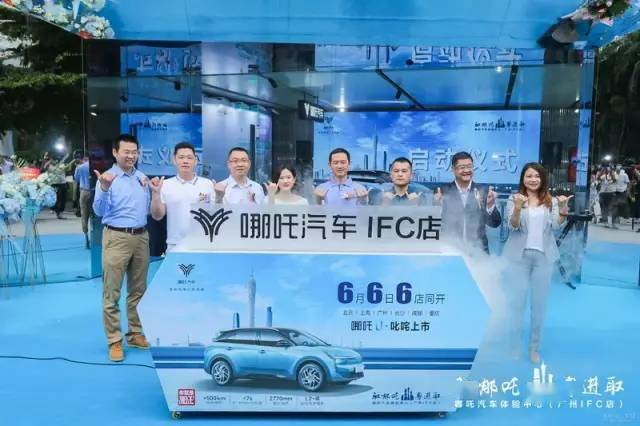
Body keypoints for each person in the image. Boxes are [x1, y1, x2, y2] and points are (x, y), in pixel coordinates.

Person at [503, 162, 572, 364]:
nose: (533, 179)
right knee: (517, 304)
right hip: (518, 257)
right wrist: (517, 208)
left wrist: (563, 208)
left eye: (537, 176)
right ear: (523, 179)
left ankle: (534, 348)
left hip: (543, 258)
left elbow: (557, 226)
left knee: (539, 305)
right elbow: (512, 226)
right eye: (529, 176)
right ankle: (514, 346)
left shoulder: (551, 200)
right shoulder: (514, 198)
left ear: (542, 179)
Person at [92, 134, 151, 362]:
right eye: (126, 152)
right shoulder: (107, 178)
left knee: (138, 290)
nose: (131, 156)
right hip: (116, 237)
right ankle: (114, 340)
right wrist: (104, 188)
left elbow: (146, 209)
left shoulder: (142, 178)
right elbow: (98, 212)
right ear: (115, 152)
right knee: (112, 292)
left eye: (134, 152)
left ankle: (135, 333)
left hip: (141, 237)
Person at [150, 141, 215, 251]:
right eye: (181, 157)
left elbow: (211, 213)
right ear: (174, 160)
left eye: (189, 158)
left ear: (195, 160)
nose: (185, 161)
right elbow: (157, 216)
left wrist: (219, 196)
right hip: (175, 245)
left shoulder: (207, 184)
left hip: (202, 244)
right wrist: (155, 194)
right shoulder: (165, 185)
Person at [434, 151, 500, 254]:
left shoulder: (484, 190)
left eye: (469, 166)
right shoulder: (442, 191)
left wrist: (490, 205)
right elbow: (435, 223)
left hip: (479, 252)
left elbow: (495, 223)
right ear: (453, 170)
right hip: (451, 250)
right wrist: (437, 206)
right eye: (462, 167)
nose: (466, 170)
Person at [73, 154, 91, 249]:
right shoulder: (95, 165)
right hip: (94, 191)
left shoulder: (80, 167)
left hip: (84, 191)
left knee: (84, 215)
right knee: (96, 215)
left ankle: (86, 237)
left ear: (84, 159)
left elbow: (76, 178)